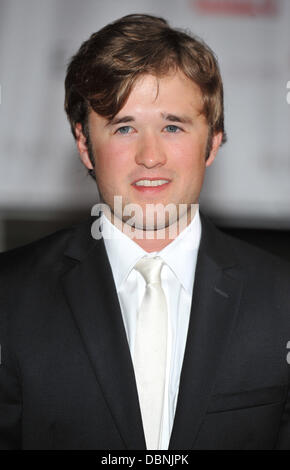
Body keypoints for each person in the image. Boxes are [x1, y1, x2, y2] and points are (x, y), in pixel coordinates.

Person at [0, 13, 290, 451]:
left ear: (212, 141)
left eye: (172, 126)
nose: (150, 155)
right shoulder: (9, 295)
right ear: (84, 144)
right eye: (124, 127)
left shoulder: (283, 298)